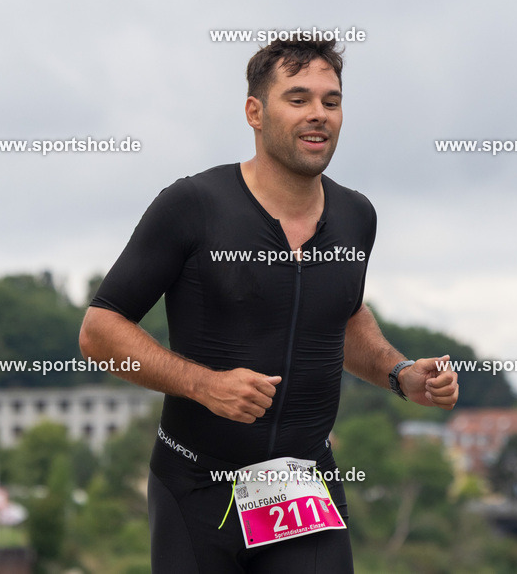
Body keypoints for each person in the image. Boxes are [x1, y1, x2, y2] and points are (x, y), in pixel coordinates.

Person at [79, 38, 459, 573]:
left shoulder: (357, 216)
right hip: (197, 485)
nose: (318, 115)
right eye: (298, 98)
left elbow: (344, 315)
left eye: (331, 101)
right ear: (254, 112)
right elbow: (99, 330)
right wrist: (204, 385)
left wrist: (399, 373)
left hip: (302, 487)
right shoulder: (193, 205)